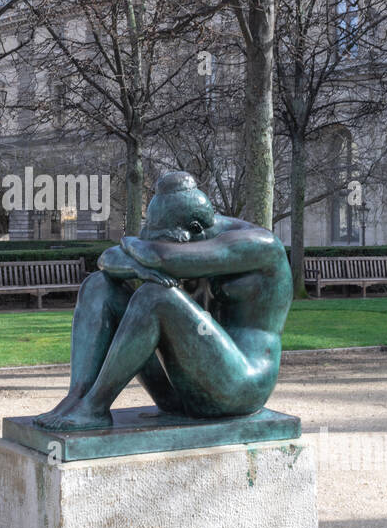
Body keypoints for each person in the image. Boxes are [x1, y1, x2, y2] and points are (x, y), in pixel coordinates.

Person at [35, 172, 291, 430]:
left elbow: (162, 258)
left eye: (173, 242)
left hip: (239, 390)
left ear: (195, 229)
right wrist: (139, 267)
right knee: (98, 285)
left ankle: (95, 407)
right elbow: (108, 259)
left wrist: (130, 243)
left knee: (156, 296)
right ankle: (78, 398)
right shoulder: (177, 227)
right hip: (180, 390)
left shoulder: (258, 244)